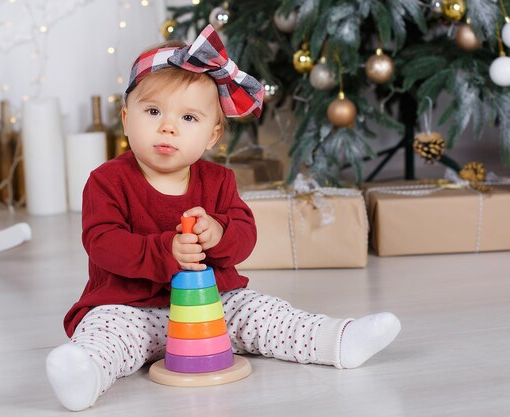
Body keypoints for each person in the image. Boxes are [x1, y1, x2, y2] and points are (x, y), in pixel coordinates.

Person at [46, 24, 401, 412]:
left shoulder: (219, 180)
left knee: (263, 313)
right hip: (133, 308)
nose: (168, 126)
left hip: (212, 307)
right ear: (126, 118)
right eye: (153, 111)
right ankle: (86, 375)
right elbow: (102, 243)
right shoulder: (108, 181)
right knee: (106, 333)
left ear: (213, 134)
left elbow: (245, 236)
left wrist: (219, 234)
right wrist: (166, 249)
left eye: (189, 118)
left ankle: (336, 340)